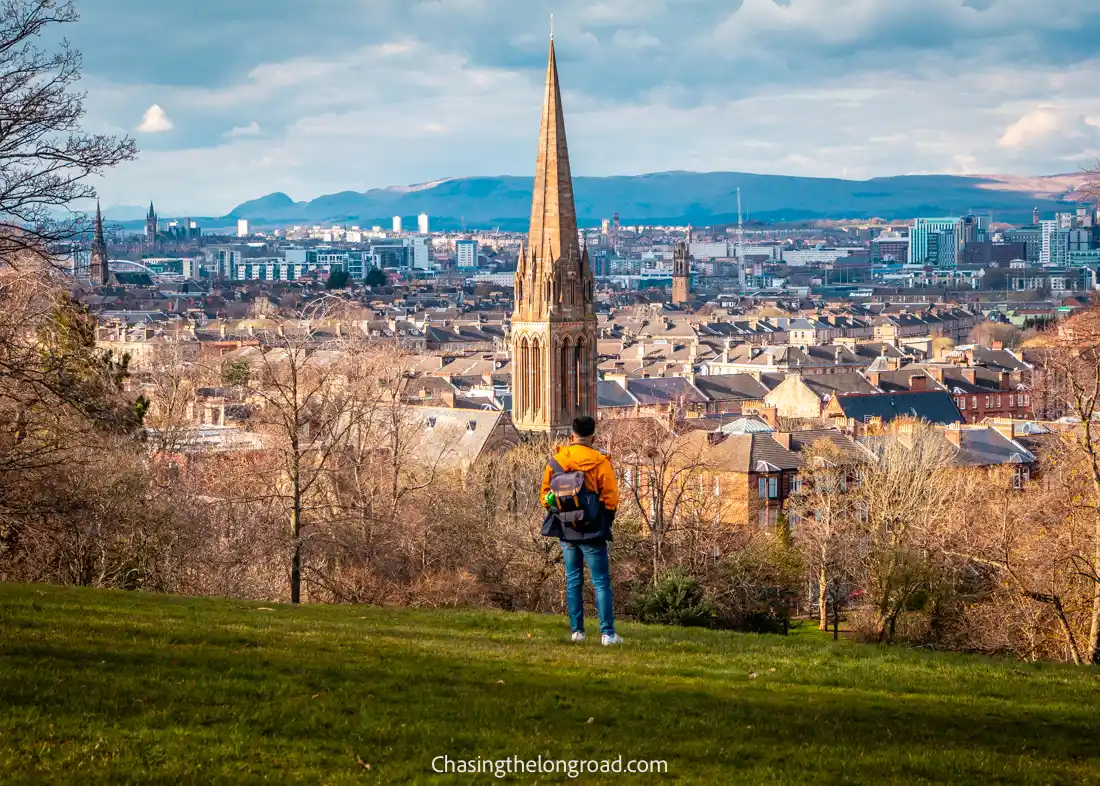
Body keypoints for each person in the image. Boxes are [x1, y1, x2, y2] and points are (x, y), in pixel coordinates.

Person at [541, 415, 622, 646]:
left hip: (566, 528)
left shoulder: (557, 461)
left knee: (573, 580)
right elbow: (611, 498)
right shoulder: (601, 462)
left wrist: (561, 514)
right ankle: (607, 634)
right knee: (601, 581)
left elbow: (545, 497)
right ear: (593, 437)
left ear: (571, 436)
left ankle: (577, 631)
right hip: (593, 530)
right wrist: (604, 522)